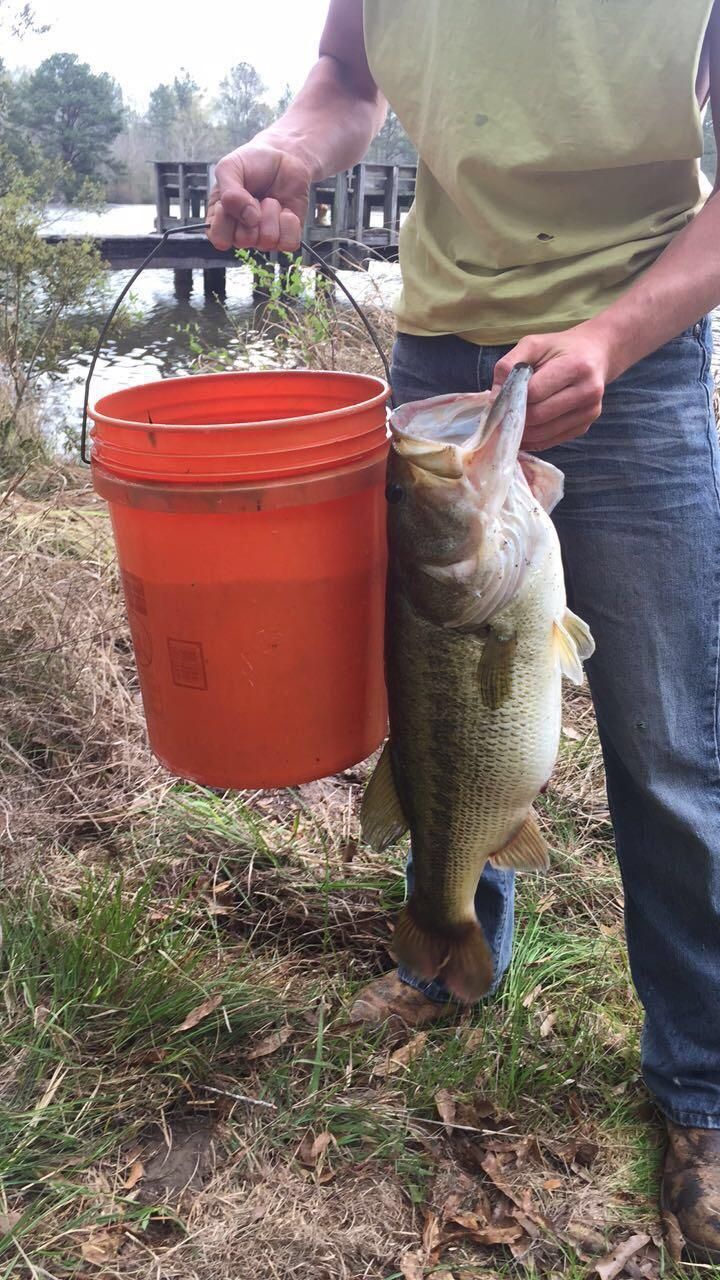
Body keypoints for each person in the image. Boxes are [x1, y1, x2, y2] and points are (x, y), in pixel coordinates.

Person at [207, 0, 720, 1260]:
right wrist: (293, 147)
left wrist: (614, 334)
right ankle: (449, 949)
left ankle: (702, 1086)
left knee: (667, 744)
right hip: (442, 334)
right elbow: (345, 70)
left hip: (635, 349)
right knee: (448, 690)